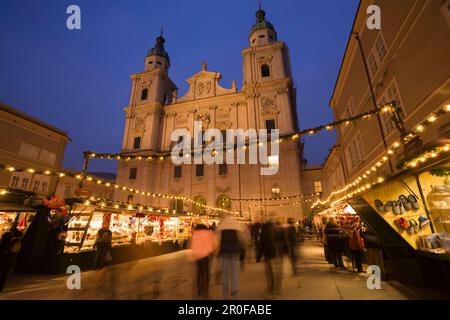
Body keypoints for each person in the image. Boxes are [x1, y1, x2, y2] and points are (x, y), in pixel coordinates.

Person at [216, 216, 244, 299]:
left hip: (224, 252)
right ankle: (234, 290)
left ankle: (225, 294)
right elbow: (240, 240)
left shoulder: (221, 229)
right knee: (234, 272)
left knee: (224, 273)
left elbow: (218, 241)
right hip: (234, 253)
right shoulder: (235, 229)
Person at [190, 223, 217, 299]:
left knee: (199, 273)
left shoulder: (195, 234)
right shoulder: (209, 233)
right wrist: (215, 250)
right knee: (206, 274)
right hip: (206, 255)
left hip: (197, 256)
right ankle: (206, 292)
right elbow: (214, 243)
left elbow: (192, 245)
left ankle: (199, 292)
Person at [0, 225, 23, 293]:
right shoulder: (19, 237)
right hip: (10, 259)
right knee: (4, 274)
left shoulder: (7, 235)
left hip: (3, 256)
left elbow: (2, 245)